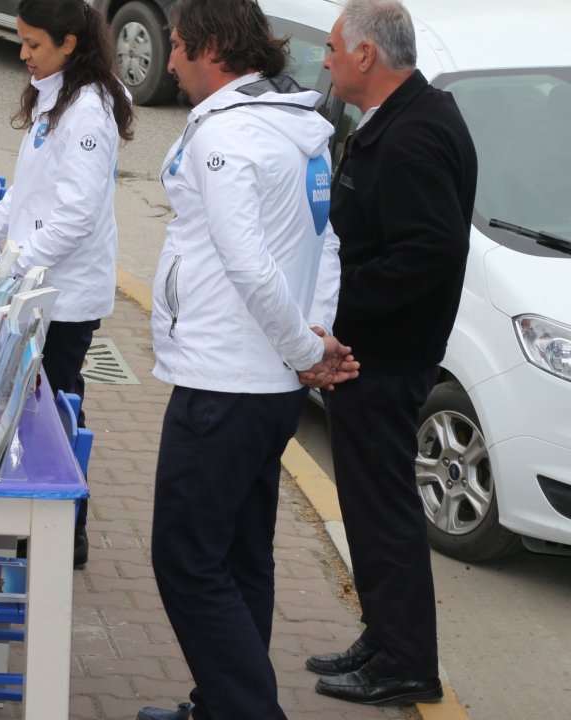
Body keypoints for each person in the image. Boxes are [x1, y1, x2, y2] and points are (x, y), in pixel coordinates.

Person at [138, 0, 358, 717]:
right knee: (238, 556)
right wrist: (313, 341)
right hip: (268, 386)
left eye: (174, 45)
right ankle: (220, 704)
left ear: (208, 47)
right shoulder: (303, 129)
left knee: (185, 559)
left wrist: (304, 349)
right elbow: (325, 242)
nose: (168, 62)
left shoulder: (226, 135)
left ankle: (245, 709)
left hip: (224, 378)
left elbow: (248, 262)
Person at [308, 0, 476, 706]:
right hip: (374, 354)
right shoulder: (405, 117)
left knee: (383, 509)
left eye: (334, 49)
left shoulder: (414, 135)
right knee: (370, 506)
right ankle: (385, 637)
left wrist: (338, 316)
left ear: (368, 57)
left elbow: (428, 252)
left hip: (382, 357)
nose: (325, 59)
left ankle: (406, 661)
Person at [0, 0, 134, 568]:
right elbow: (26, 196)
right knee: (27, 405)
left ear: (70, 43)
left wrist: (15, 264)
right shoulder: (53, 94)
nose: (23, 53)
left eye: (34, 44)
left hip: (63, 295)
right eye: (22, 41)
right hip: (33, 282)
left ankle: (65, 527)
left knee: (54, 414)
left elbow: (75, 215)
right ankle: (30, 513)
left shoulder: (88, 112)